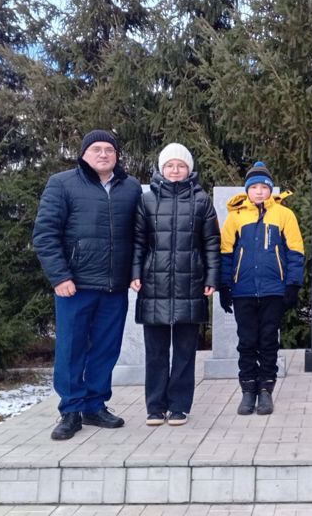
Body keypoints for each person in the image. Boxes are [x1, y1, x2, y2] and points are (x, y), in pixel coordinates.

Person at [33, 130, 142, 440]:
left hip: (115, 286)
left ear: (117, 155)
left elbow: (139, 236)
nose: (104, 154)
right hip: (75, 286)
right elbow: (45, 234)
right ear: (83, 154)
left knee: (106, 349)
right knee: (71, 349)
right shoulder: (62, 184)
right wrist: (60, 276)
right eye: (96, 149)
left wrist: (134, 272)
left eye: (110, 149)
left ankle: (95, 405)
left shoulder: (130, 188)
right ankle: (70, 409)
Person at [130, 143, 220, 426]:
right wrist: (135, 272)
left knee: (184, 351)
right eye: (170, 165)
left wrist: (212, 277)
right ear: (161, 168)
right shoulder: (146, 200)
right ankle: (155, 407)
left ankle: (179, 406)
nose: (175, 170)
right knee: (155, 351)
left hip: (189, 282)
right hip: (153, 283)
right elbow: (138, 242)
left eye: (181, 166)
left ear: (189, 169)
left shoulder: (202, 200)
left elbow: (211, 243)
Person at [219, 161, 304, 416]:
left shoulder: (284, 215)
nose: (258, 191)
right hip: (243, 290)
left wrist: (292, 285)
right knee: (247, 342)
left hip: (272, 291)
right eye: (253, 187)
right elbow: (225, 254)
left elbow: (296, 252)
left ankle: (266, 390)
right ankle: (248, 391)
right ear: (247, 190)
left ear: (270, 189)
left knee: (268, 341)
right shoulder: (235, 217)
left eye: (263, 187)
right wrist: (225, 285)